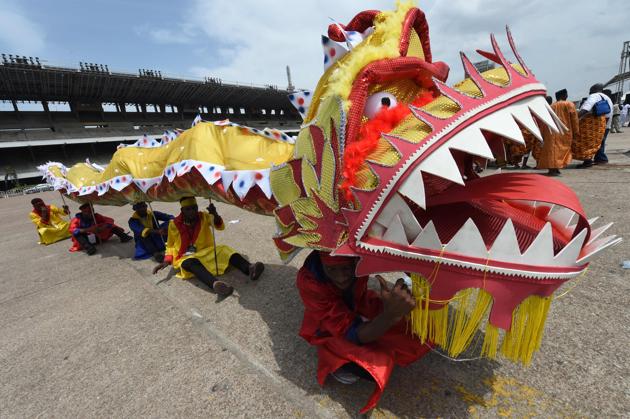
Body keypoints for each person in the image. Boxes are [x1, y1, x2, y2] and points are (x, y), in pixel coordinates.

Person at [296, 250, 432, 414]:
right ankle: (341, 363)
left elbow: (401, 256)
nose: (341, 277)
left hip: (359, 303)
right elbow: (352, 333)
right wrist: (390, 315)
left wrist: (415, 279)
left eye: (346, 268)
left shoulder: (365, 253)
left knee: (419, 327)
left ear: (356, 260)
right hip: (330, 324)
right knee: (371, 366)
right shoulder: (309, 282)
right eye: (331, 270)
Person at [152, 197, 265, 297]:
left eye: (194, 208)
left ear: (197, 207)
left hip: (207, 252)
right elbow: (171, 245)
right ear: (182, 210)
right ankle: (215, 284)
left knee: (224, 249)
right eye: (188, 209)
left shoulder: (204, 216)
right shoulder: (174, 224)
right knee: (188, 263)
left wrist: (215, 214)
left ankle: (250, 269)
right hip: (186, 256)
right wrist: (166, 261)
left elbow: (219, 227)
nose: (192, 211)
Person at [537, 89, 579, 176]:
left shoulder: (551, 106)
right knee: (561, 150)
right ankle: (554, 169)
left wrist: (543, 133)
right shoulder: (569, 104)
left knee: (552, 150)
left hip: (551, 132)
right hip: (564, 132)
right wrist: (576, 131)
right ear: (564, 95)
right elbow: (574, 119)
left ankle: (553, 168)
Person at [573, 83, 609, 168]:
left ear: (593, 90)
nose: (589, 93)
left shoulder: (594, 96)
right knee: (596, 143)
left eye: (590, 91)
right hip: (603, 125)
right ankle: (600, 159)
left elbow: (585, 109)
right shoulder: (606, 98)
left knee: (585, 142)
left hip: (592, 125)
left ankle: (588, 161)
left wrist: (574, 120)